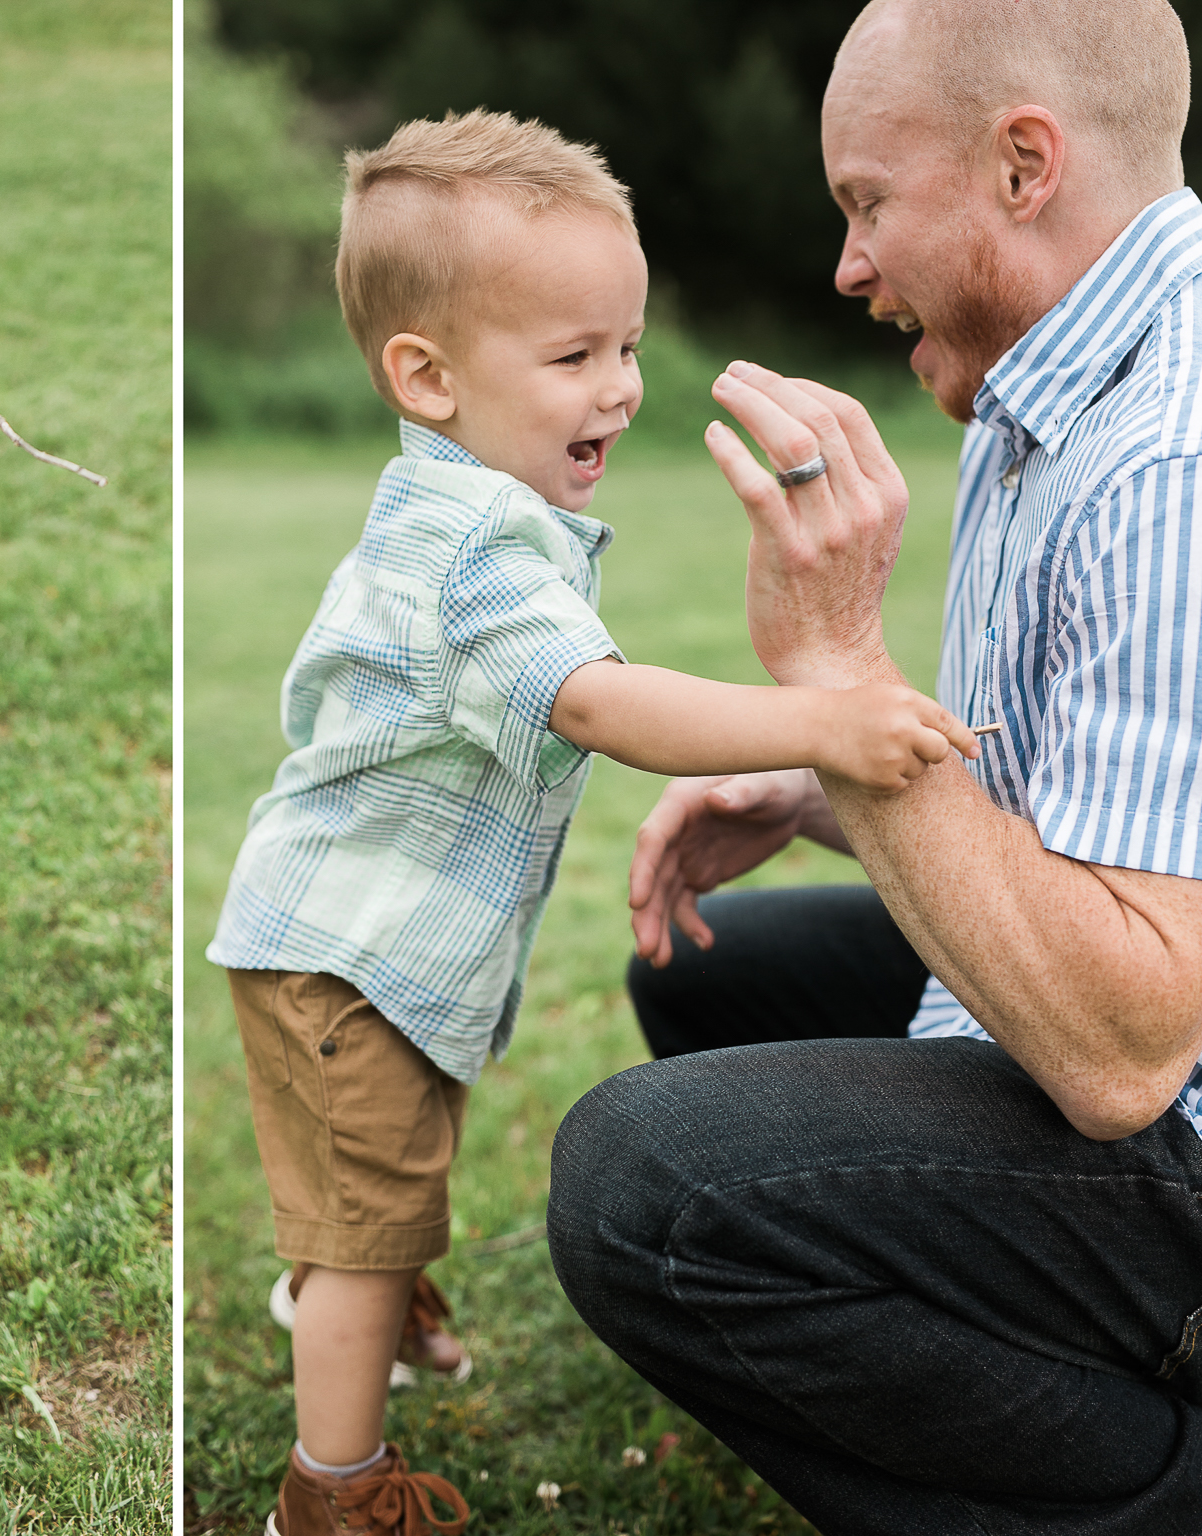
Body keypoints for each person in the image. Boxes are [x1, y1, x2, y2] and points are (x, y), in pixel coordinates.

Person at [204, 109, 977, 1536]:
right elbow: (601, 705)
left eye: (624, 346)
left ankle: (361, 1275)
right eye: (574, 357)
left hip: (378, 954)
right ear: (424, 377)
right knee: (367, 1209)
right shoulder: (469, 543)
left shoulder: (488, 510)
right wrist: (818, 718)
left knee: (387, 1175)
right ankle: (332, 1487)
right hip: (345, 956)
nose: (620, 389)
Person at [547, 1, 1202, 1528]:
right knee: (705, 979)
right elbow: (1091, 791)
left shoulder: (1171, 460)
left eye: (867, 203)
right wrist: (818, 783)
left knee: (643, 1184)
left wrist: (838, 674)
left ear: (1024, 164)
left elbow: (1126, 1049)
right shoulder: (1051, 384)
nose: (849, 266)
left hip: (1169, 1104)